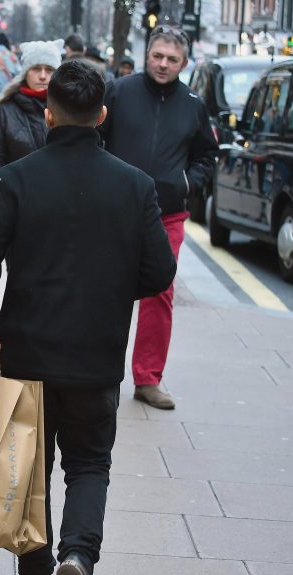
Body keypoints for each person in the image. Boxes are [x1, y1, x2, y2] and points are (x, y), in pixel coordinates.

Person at [0, 60, 177, 575]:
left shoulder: (16, 179)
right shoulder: (135, 185)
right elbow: (158, 272)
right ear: (101, 115)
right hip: (97, 354)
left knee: (31, 471)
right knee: (89, 463)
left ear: (48, 112)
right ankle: (78, 556)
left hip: (28, 352)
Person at [99, 25, 218, 410]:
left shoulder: (193, 104)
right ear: (147, 54)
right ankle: (99, 370)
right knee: (103, 289)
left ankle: (148, 379)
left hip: (167, 215)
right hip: (115, 211)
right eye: (157, 56)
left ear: (184, 63)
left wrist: (187, 183)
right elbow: (95, 138)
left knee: (159, 296)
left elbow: (206, 156)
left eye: (172, 59)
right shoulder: (118, 91)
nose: (163, 64)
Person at [0, 39, 62, 185]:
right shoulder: (5, 111)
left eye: (49, 69)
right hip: (17, 201)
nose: (43, 76)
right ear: (25, 73)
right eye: (36, 69)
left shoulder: (67, 109)